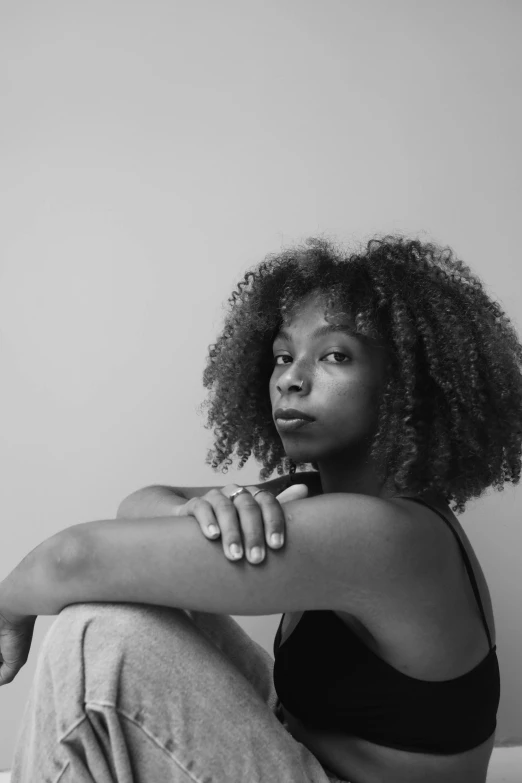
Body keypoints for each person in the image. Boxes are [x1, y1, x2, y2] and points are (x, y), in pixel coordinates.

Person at [4, 234, 520, 782]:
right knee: (133, 596)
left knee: (95, 636)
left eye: (335, 356)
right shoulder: (324, 497)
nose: (290, 380)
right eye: (282, 356)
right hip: (301, 747)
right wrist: (206, 510)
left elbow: (72, 560)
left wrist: (8, 606)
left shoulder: (383, 534)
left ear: (407, 386)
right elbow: (143, 504)